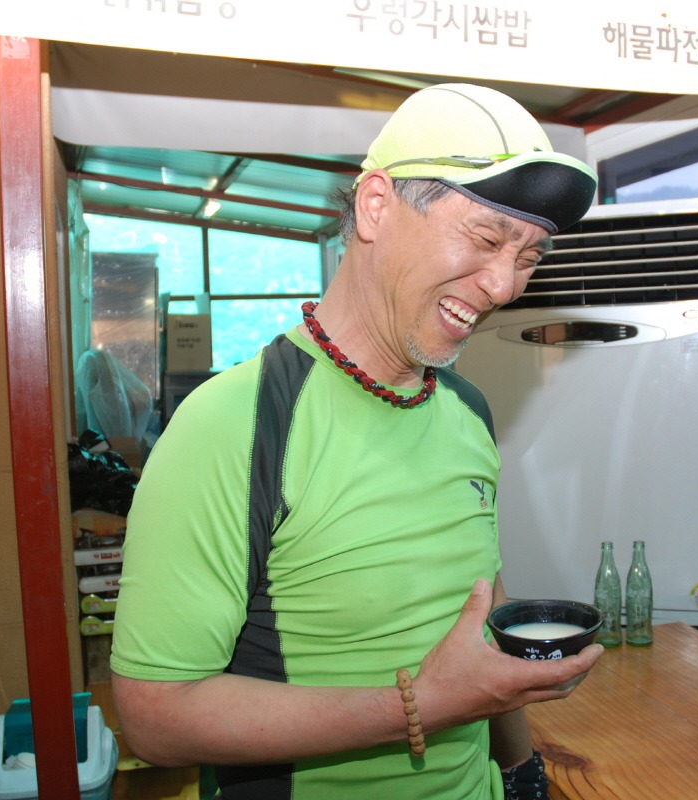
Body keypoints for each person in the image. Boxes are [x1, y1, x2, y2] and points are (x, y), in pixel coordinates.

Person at [111, 83, 602, 799]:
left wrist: (522, 773)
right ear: (376, 205)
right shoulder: (234, 423)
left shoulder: (467, 410)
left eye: (529, 257)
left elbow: (478, 614)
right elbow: (155, 719)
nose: (503, 285)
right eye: (485, 238)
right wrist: (419, 706)